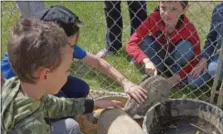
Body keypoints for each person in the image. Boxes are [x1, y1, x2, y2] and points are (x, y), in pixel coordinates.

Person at [1, 18, 122, 134]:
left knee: (71, 126)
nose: (68, 75)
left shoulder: (15, 85)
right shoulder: (32, 127)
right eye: (67, 70)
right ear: (45, 74)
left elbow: (54, 105)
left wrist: (91, 104)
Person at [1, 5, 147, 103]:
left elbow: (96, 61)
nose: (73, 49)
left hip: (44, 83)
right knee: (63, 103)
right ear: (53, 40)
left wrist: (126, 83)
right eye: (71, 45)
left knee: (81, 89)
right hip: (25, 94)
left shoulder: (62, 47)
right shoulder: (25, 59)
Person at [126, 1, 201, 87]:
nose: (167, 14)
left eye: (173, 9)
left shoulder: (189, 28)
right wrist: (146, 61)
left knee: (186, 47)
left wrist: (177, 78)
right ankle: (156, 72)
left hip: (176, 58)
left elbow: (196, 59)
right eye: (163, 8)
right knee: (146, 41)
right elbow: (131, 43)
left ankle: (174, 73)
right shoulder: (154, 18)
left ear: (184, 9)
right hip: (158, 54)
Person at [188, 3, 223, 88]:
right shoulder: (218, 9)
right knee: (193, 80)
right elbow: (211, 38)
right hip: (220, 55)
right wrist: (204, 59)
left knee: (214, 68)